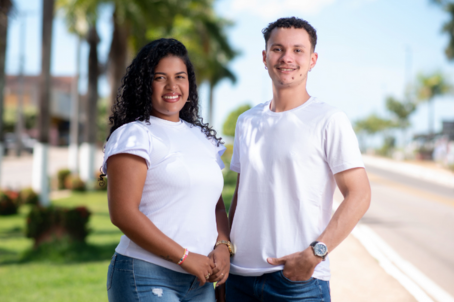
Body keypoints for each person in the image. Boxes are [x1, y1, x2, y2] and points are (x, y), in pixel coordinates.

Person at [225, 17, 371, 302]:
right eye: (278, 49)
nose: (287, 58)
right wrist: (227, 259)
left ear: (313, 59)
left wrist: (316, 253)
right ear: (264, 57)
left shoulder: (329, 119)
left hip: (296, 282)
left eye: (298, 50)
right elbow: (241, 196)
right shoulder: (246, 121)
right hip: (239, 279)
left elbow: (360, 194)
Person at [101, 38, 232, 302]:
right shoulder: (134, 135)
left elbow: (215, 206)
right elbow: (123, 213)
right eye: (160, 77)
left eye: (179, 77)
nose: (172, 86)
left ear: (189, 83)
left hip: (200, 277)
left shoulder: (203, 138)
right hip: (146, 273)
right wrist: (185, 257)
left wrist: (222, 246)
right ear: (144, 83)